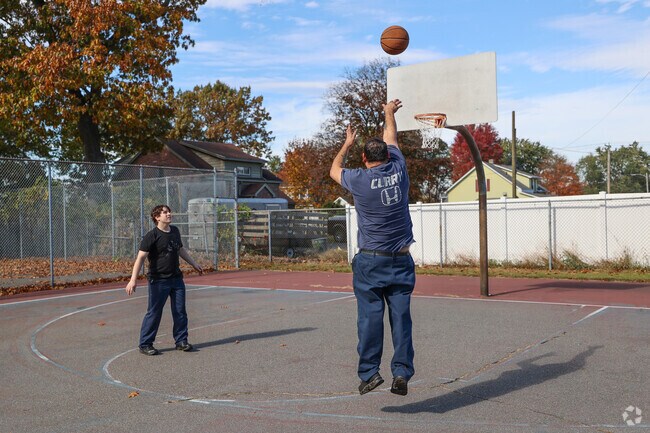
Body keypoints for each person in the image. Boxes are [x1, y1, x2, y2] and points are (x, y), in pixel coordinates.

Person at [330, 99, 415, 396]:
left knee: (370, 317)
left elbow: (334, 169)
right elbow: (391, 136)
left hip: (371, 261)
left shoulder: (359, 179)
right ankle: (401, 372)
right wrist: (388, 113)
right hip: (401, 260)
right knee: (401, 318)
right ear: (388, 156)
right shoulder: (400, 169)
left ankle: (369, 373)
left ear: (365, 157)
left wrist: (347, 143)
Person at [125, 204, 203, 356]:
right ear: (157, 217)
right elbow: (140, 258)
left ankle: (181, 341)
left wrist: (194, 264)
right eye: (165, 212)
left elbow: (180, 249)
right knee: (154, 312)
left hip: (176, 279)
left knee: (180, 311)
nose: (169, 214)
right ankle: (145, 343)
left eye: (169, 211)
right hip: (158, 281)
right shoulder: (151, 235)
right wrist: (132, 280)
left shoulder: (174, 231)